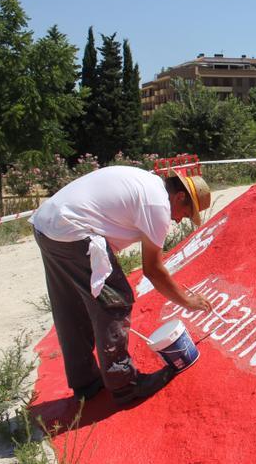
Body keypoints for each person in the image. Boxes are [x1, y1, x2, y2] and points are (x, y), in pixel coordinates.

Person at [30, 165, 213, 405]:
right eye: (186, 214)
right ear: (179, 197)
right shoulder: (158, 206)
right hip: (71, 231)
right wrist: (187, 301)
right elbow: (153, 270)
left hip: (46, 226)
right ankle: (126, 385)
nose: (179, 220)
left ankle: (86, 382)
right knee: (115, 300)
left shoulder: (147, 183)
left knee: (71, 306)